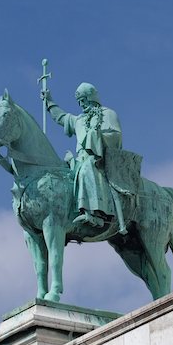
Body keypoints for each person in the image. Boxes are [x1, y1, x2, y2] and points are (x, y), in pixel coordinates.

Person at [42, 82, 127, 233]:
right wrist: (49, 101)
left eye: (83, 100)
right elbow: (61, 117)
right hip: (80, 158)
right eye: (79, 102)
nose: (81, 104)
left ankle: (94, 214)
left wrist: (96, 137)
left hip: (100, 159)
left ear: (91, 98)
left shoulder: (108, 114)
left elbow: (116, 136)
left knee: (87, 168)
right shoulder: (79, 120)